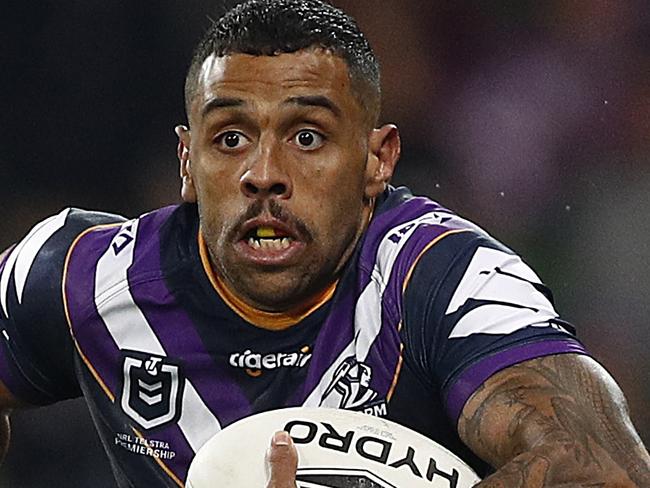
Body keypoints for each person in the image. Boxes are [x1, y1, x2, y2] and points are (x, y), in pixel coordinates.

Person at [0, 0, 648, 486]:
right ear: (187, 163)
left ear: (377, 161)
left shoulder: (445, 276)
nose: (264, 174)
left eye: (307, 136)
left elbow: (605, 467)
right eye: (230, 138)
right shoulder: (75, 275)